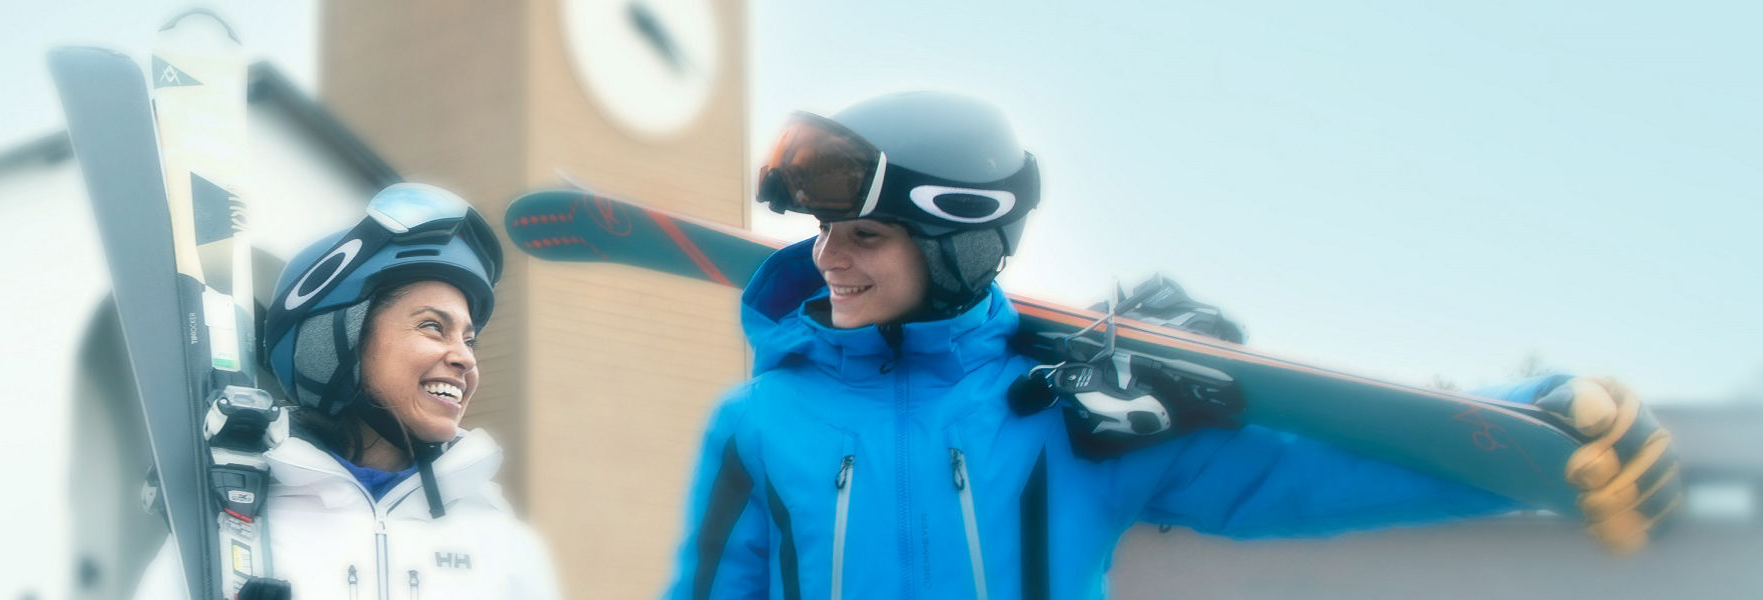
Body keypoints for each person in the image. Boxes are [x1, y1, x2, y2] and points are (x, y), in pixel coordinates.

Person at [665, 91, 1668, 599]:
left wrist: (1537, 431)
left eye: (865, 235)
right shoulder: (760, 421)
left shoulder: (1071, 415)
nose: (829, 257)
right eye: (824, 231)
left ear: (958, 241)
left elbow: (1308, 477)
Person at [134, 183, 560, 599]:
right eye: (433, 326)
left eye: (470, 341)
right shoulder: (233, 520)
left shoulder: (500, 541)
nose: (464, 358)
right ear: (338, 339)